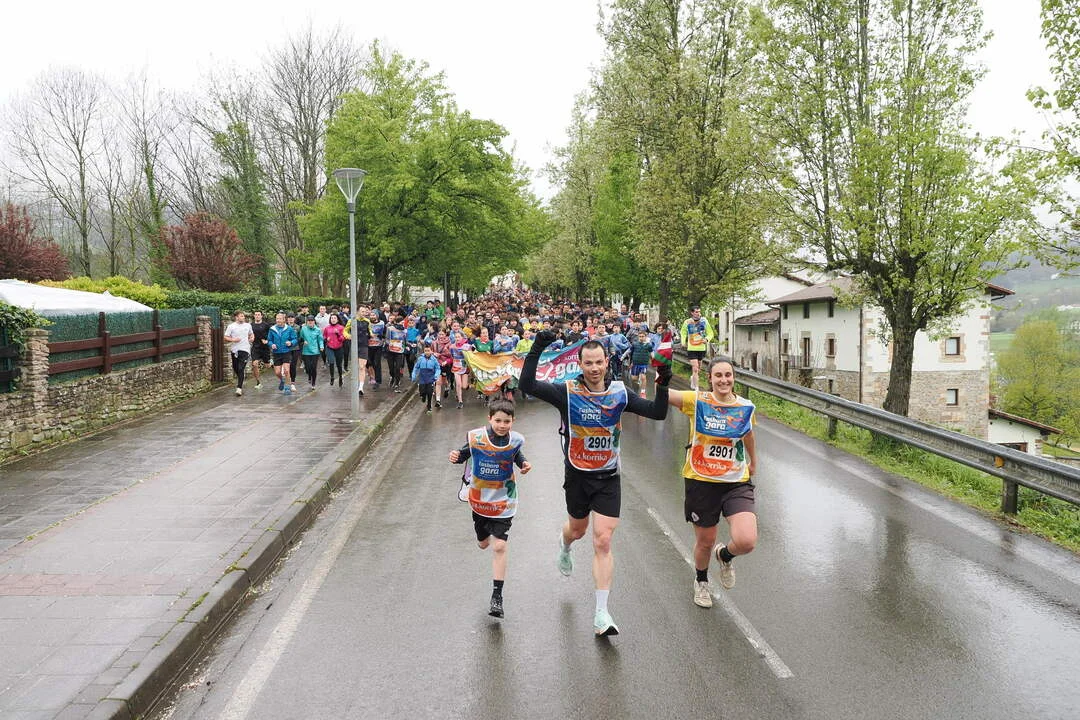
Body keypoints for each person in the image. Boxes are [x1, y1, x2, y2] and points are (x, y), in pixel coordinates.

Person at [520, 332, 672, 637]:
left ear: (606, 363)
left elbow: (657, 412)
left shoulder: (619, 393)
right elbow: (527, 386)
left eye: (599, 362)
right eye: (588, 363)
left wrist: (663, 383)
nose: (594, 368)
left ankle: (602, 613)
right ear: (580, 364)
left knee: (602, 540)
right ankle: (564, 544)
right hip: (577, 475)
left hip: (608, 476)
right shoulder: (567, 392)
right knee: (577, 530)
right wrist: (538, 347)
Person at [666, 357, 757, 608]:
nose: (724, 380)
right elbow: (665, 394)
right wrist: (661, 374)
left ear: (734, 378)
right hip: (701, 481)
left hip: (735, 480)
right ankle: (701, 581)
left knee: (747, 540)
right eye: (718, 375)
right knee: (706, 541)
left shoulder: (745, 407)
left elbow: (748, 434)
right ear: (710, 378)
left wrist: (753, 462)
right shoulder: (697, 401)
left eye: (728, 375)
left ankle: (725, 555)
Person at [448, 398, 532, 618]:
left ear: (513, 421)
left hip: (504, 502)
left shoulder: (515, 441)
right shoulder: (477, 438)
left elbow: (516, 455)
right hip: (480, 501)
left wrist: (524, 464)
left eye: (507, 421)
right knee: (484, 543)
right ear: (490, 419)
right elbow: (463, 455)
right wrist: (455, 456)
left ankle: (497, 597)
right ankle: (482, 535)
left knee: (499, 546)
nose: (502, 425)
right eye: (498, 421)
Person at [680, 306, 715, 391]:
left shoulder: (704, 321)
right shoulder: (687, 322)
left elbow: (710, 333)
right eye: (696, 312)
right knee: (695, 368)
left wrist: (706, 339)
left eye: (699, 311)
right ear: (692, 313)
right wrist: (683, 342)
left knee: (698, 369)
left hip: (701, 348)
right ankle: (697, 388)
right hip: (692, 348)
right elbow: (683, 332)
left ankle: (693, 377)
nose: (698, 313)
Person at [267, 312, 298, 395]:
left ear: (284, 320)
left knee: (286, 370)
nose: (278, 320)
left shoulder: (289, 329)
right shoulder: (272, 329)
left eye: (280, 319)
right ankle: (282, 380)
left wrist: (291, 343)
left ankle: (287, 387)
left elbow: (295, 339)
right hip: (276, 353)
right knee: (277, 372)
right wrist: (271, 344)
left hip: (286, 352)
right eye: (277, 319)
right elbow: (269, 340)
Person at [224, 310, 254, 396]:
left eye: (243, 316)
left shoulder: (248, 325)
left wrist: (252, 338)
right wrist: (233, 339)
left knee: (241, 368)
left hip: (245, 349)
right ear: (236, 317)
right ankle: (241, 378)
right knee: (235, 367)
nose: (243, 317)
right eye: (241, 316)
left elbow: (251, 334)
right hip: (235, 350)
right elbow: (225, 337)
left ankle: (239, 388)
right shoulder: (231, 326)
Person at [411, 341, 442, 412]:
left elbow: (438, 368)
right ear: (424, 351)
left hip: (430, 377)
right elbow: (416, 367)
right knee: (422, 391)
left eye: (428, 351)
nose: (427, 352)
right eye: (425, 351)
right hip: (422, 377)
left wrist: (436, 375)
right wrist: (414, 375)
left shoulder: (434, 359)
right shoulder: (420, 358)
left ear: (431, 351)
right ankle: (423, 396)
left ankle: (429, 405)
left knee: (429, 392)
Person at [299, 315, 324, 389]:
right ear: (307, 322)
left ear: (314, 322)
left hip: (315, 351)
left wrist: (321, 346)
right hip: (306, 351)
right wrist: (303, 341)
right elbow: (300, 338)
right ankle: (309, 375)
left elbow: (320, 339)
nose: (310, 322)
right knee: (308, 368)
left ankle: (313, 383)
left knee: (313, 367)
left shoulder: (317, 330)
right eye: (309, 321)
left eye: (311, 321)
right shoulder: (303, 329)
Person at [384, 314, 407, 392]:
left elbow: (404, 340)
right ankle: (392, 377)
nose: (402, 324)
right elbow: (387, 339)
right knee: (391, 367)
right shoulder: (390, 329)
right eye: (401, 322)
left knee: (398, 367)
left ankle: (397, 382)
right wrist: (391, 343)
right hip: (391, 351)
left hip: (399, 351)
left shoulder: (404, 330)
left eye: (403, 322)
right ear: (397, 322)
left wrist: (406, 346)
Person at [249, 310, 271, 390]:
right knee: (254, 364)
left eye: (259, 314)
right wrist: (250, 338)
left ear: (261, 316)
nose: (257, 316)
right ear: (254, 316)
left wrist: (267, 341)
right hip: (255, 347)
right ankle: (258, 382)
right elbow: (248, 334)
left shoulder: (266, 325)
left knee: (267, 365)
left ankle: (270, 362)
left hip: (265, 348)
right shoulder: (250, 325)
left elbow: (271, 335)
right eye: (256, 315)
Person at [628, 330, 654, 397]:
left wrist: (654, 360)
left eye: (643, 336)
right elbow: (629, 352)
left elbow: (652, 353)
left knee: (643, 377)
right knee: (634, 379)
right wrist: (624, 358)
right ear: (638, 337)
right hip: (635, 363)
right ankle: (638, 379)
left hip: (644, 364)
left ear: (645, 337)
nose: (641, 338)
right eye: (640, 336)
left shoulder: (648, 345)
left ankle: (643, 392)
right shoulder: (635, 344)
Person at [323, 313, 346, 386]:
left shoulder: (341, 327)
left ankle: (340, 377)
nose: (333, 319)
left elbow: (343, 338)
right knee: (331, 362)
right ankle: (332, 377)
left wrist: (338, 334)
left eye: (335, 318)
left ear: (337, 319)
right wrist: (326, 339)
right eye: (332, 318)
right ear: (330, 319)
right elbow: (324, 336)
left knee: (339, 364)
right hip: (330, 347)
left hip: (339, 348)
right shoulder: (327, 328)